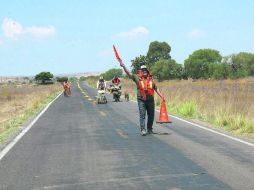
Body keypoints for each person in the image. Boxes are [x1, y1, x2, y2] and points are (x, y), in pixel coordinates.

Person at [119, 62, 164, 136]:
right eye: (143, 70)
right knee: (142, 115)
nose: (144, 71)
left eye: (145, 69)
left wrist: (161, 96)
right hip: (141, 100)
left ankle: (149, 129)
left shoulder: (151, 78)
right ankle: (143, 129)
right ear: (140, 71)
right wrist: (123, 66)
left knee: (151, 115)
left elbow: (155, 88)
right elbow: (129, 73)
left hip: (150, 100)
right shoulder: (137, 78)